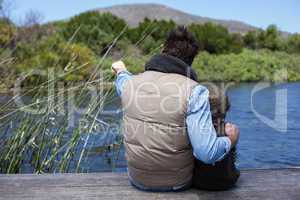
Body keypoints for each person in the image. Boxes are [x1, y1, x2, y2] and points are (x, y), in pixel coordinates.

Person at [111, 26, 240, 192]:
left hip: (137, 180)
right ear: (191, 59)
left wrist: (120, 70)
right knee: (222, 131)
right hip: (177, 183)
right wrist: (231, 140)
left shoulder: (130, 84)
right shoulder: (195, 91)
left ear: (164, 49)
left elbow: (122, 81)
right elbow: (206, 153)